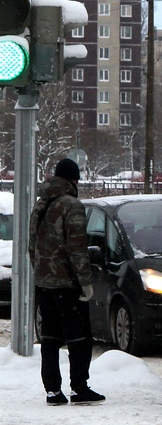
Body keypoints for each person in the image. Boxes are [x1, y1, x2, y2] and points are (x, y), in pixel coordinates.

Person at [29, 158, 105, 406]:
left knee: (49, 338)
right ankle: (79, 388)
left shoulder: (40, 205)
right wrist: (85, 282)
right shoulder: (72, 206)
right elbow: (77, 248)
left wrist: (41, 275)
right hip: (67, 285)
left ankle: (53, 391)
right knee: (79, 337)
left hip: (44, 284)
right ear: (73, 180)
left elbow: (33, 246)